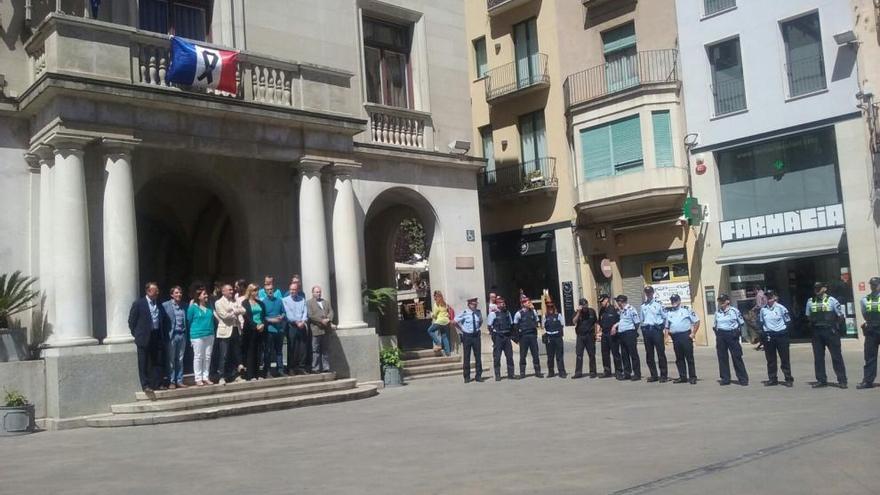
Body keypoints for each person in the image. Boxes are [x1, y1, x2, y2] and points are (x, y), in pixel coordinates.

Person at [128, 282, 169, 393]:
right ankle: (146, 385)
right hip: (144, 336)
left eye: (157, 290)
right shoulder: (139, 304)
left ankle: (157, 383)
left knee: (157, 360)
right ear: (148, 291)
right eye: (155, 290)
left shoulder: (159, 304)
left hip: (156, 335)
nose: (157, 292)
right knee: (144, 362)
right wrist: (136, 334)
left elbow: (164, 319)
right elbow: (131, 321)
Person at [806, 281, 847, 388]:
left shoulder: (832, 301)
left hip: (830, 331)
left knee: (836, 357)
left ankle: (842, 380)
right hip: (817, 332)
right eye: (815, 288)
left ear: (825, 289)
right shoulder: (810, 301)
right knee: (818, 358)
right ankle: (821, 380)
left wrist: (835, 328)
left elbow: (840, 316)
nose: (816, 290)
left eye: (819, 288)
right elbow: (808, 316)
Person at [758, 291, 793, 387]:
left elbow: (788, 322)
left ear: (775, 297)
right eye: (767, 296)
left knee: (785, 358)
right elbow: (761, 323)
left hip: (781, 335)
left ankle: (788, 378)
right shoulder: (763, 310)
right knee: (771, 359)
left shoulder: (781, 308)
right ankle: (772, 379)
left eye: (770, 296)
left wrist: (783, 332)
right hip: (769, 336)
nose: (768, 298)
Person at [713, 294, 749, 386]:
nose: (721, 302)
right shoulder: (718, 312)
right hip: (721, 335)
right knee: (722, 358)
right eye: (720, 301)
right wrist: (718, 335)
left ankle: (743, 378)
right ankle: (725, 378)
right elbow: (715, 326)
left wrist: (738, 334)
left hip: (732, 334)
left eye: (723, 301)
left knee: (736, 357)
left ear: (728, 301)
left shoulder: (734, 311)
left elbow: (741, 323)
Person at [664, 294, 700, 384]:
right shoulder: (669, 313)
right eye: (672, 301)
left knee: (689, 358)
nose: (673, 302)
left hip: (685, 336)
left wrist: (693, 333)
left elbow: (697, 321)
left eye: (675, 300)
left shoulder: (686, 310)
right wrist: (666, 337)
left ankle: (692, 377)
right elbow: (667, 327)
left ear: (679, 301)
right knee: (679, 358)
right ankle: (682, 377)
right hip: (675, 337)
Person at [214, 283, 245, 384]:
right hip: (225, 331)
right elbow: (224, 316)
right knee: (224, 354)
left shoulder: (235, 301)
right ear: (223, 291)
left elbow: (243, 310)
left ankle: (235, 375)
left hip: (236, 329)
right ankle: (221, 376)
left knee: (236, 353)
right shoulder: (218, 303)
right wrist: (235, 311)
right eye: (230, 290)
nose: (232, 291)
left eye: (232, 290)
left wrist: (232, 310)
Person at [640, 286, 669, 383]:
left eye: (650, 292)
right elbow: (642, 319)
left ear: (653, 293)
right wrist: (643, 329)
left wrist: (664, 329)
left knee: (660, 353)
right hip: (647, 331)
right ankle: (654, 375)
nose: (648, 294)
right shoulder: (643, 306)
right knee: (649, 354)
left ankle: (663, 375)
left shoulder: (659, 304)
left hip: (656, 330)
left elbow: (665, 317)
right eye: (647, 293)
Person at [161, 286, 189, 389]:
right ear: (172, 294)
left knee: (180, 359)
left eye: (180, 292)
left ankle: (179, 380)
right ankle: (172, 381)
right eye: (176, 293)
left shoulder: (184, 306)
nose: (179, 295)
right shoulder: (165, 305)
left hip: (182, 335)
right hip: (172, 335)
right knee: (171, 360)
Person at [187, 287, 215, 386]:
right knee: (198, 356)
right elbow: (189, 320)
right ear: (198, 297)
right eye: (204, 294)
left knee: (207, 357)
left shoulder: (210, 307)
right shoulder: (193, 307)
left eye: (206, 294)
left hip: (209, 334)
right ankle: (198, 378)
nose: (206, 296)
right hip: (197, 335)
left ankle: (206, 377)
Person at [260, 277, 287, 377]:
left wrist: (282, 317)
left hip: (279, 330)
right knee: (268, 351)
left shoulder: (279, 300)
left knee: (279, 351)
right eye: (268, 290)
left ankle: (280, 370)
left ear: (274, 290)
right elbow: (262, 317)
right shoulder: (263, 302)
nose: (270, 291)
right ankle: (267, 371)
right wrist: (272, 320)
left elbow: (284, 312)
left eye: (271, 289)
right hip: (269, 330)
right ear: (265, 291)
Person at [241, 284, 268, 380]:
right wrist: (255, 326)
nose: (256, 292)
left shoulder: (260, 303)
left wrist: (262, 325)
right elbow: (246, 317)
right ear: (250, 291)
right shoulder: (245, 303)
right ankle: (250, 374)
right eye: (254, 290)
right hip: (250, 330)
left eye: (257, 290)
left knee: (258, 351)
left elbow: (264, 316)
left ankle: (257, 374)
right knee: (250, 352)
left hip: (260, 330)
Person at [282, 280, 309, 374]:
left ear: (298, 290)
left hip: (302, 325)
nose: (292, 291)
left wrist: (303, 321)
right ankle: (291, 367)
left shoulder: (302, 299)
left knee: (302, 347)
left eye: (294, 289)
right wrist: (297, 322)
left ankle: (301, 367)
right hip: (292, 326)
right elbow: (288, 313)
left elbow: (305, 312)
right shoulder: (285, 300)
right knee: (292, 347)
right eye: (291, 289)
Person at [858, 277, 880, 389]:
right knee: (870, 357)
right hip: (871, 330)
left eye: (875, 284)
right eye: (872, 284)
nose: (873, 286)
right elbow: (864, 314)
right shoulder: (864, 300)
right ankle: (868, 381)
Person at [307, 285, 335, 373]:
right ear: (313, 293)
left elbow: (331, 311)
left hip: (326, 329)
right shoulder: (309, 303)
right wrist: (321, 320)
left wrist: (328, 319)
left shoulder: (326, 302)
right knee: (315, 350)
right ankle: (315, 368)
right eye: (317, 292)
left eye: (319, 292)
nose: (318, 293)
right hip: (316, 329)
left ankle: (326, 367)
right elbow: (311, 315)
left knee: (325, 349)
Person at [455, 297, 483, 383]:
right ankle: (466, 377)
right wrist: (462, 329)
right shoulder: (464, 312)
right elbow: (454, 321)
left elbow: (480, 321)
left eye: (475, 304)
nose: (474, 305)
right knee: (466, 356)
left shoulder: (478, 312)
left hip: (476, 335)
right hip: (467, 336)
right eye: (473, 304)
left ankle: (478, 376)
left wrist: (477, 329)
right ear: (469, 305)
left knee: (478, 356)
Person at [514, 296, 543, 378]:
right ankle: (522, 373)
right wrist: (517, 338)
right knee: (523, 355)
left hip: (532, 335)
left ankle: (538, 371)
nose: (529, 303)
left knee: (535, 354)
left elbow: (537, 322)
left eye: (529, 301)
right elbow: (515, 326)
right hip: (524, 336)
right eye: (527, 302)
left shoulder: (533, 311)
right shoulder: (518, 313)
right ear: (523, 304)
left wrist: (533, 310)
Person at [613, 295, 641, 381]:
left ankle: (637, 374)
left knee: (633, 354)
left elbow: (637, 322)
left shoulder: (631, 309)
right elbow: (622, 321)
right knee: (624, 355)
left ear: (622, 301)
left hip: (629, 333)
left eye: (618, 301)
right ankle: (627, 373)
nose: (617, 303)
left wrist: (633, 332)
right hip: (622, 334)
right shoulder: (621, 310)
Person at [488, 296, 516, 381]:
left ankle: (511, 374)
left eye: (503, 303)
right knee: (497, 357)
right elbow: (489, 326)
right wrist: (494, 337)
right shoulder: (493, 314)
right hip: (498, 337)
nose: (502, 304)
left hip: (507, 336)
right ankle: (497, 375)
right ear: (497, 304)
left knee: (509, 356)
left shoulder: (507, 313)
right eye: (500, 303)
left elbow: (511, 324)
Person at [572, 298, 599, 379]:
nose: (585, 307)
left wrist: (596, 333)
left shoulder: (592, 311)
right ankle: (578, 372)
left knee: (592, 354)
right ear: (580, 306)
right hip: (580, 336)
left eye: (586, 305)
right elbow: (574, 321)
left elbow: (596, 322)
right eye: (584, 306)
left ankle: (593, 372)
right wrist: (579, 312)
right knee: (579, 354)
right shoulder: (577, 312)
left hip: (590, 336)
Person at [597, 294, 621, 378]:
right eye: (600, 302)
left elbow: (620, 321)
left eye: (602, 301)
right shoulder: (601, 310)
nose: (601, 303)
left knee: (615, 353)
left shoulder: (614, 309)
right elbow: (599, 322)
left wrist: (616, 328)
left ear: (607, 299)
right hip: (604, 334)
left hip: (613, 333)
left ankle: (618, 371)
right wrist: (598, 332)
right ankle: (607, 371)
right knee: (605, 353)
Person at [543, 302, 566, 378]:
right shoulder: (545, 316)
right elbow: (543, 327)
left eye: (551, 307)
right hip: (549, 337)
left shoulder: (558, 315)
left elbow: (562, 324)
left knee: (559, 356)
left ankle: (562, 372)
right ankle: (551, 372)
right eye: (549, 307)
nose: (550, 309)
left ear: (554, 307)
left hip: (557, 337)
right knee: (550, 357)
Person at [427, 290, 452, 356]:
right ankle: (448, 353)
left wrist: (431, 314)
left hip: (440, 321)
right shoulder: (445, 303)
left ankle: (438, 344)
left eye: (434, 296)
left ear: (435, 296)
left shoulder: (436, 304)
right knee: (444, 336)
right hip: (446, 321)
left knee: (430, 330)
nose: (434, 297)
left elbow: (434, 315)